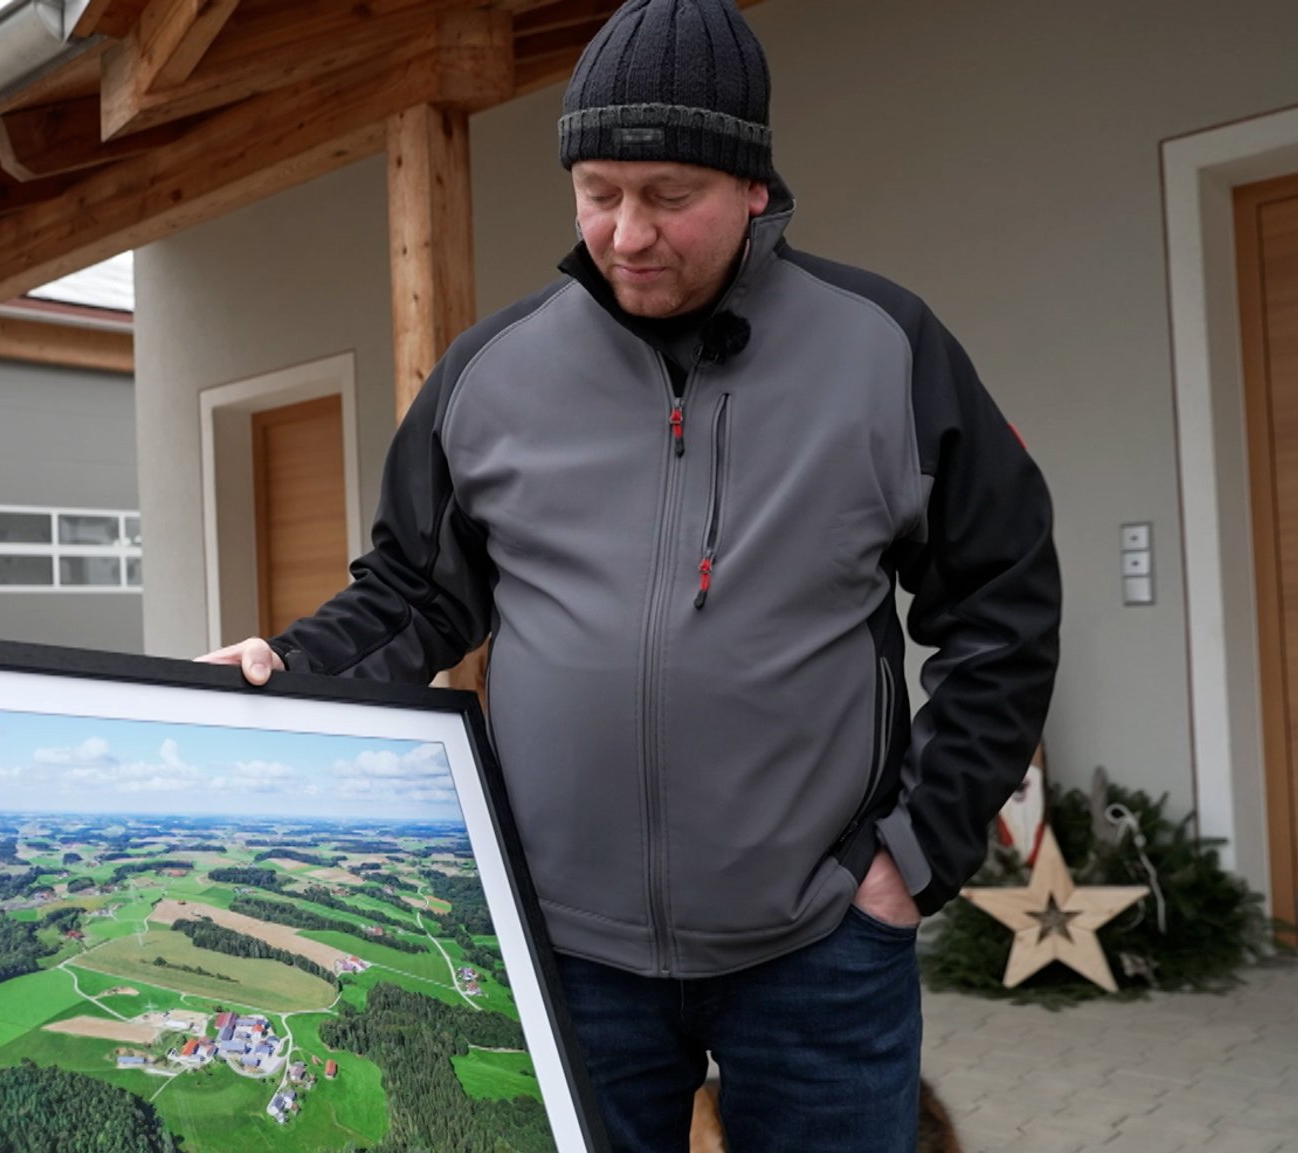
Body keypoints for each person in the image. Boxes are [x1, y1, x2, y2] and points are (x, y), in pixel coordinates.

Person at [201, 1, 1060, 1148]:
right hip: (570, 952)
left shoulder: (884, 351)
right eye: (597, 191)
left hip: (815, 949)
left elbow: (1001, 604)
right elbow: (415, 593)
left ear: (753, 186)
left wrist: (909, 860)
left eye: (668, 196)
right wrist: (288, 670)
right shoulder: (491, 375)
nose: (626, 234)